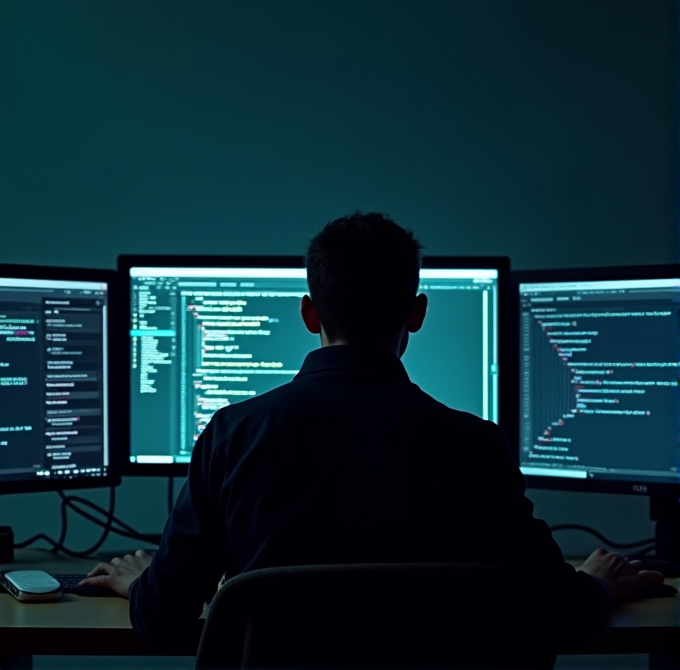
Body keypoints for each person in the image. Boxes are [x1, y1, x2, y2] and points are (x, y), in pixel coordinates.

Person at [81, 212, 663, 653]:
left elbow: (162, 623)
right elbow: (555, 610)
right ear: (418, 313)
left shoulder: (234, 434)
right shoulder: (473, 444)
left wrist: (138, 581)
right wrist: (597, 584)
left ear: (310, 314)